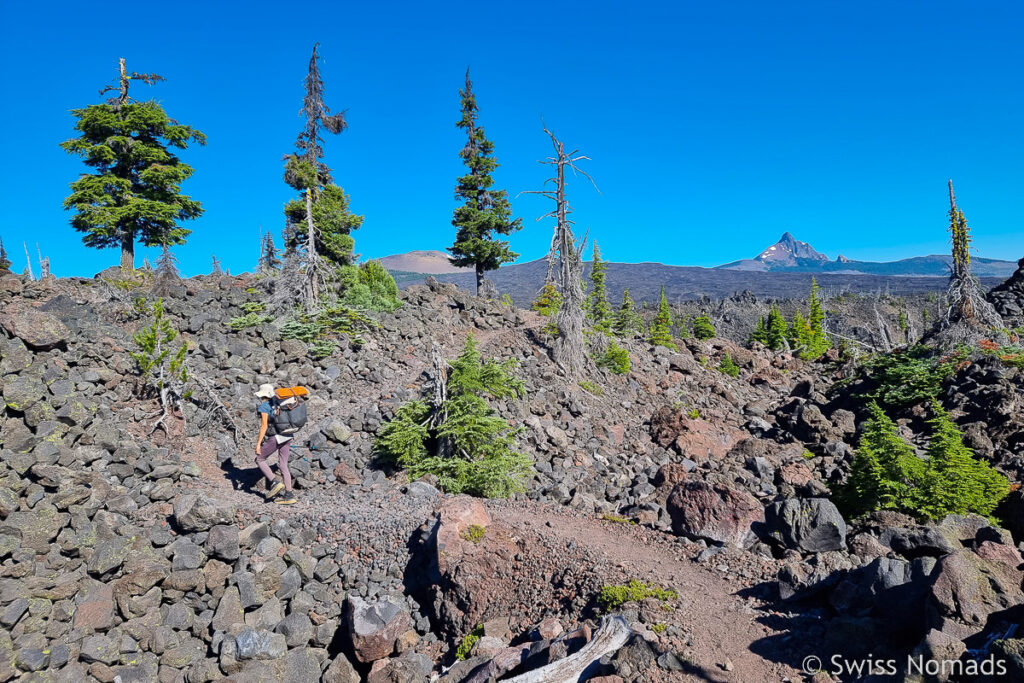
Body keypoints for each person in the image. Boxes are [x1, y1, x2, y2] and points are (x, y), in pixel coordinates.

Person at [254, 383, 297, 505]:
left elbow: (264, 426)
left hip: (276, 437)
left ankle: (274, 482)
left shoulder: (264, 406)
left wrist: (258, 444)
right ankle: (289, 495)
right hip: (288, 435)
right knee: (283, 465)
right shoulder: (279, 402)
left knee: (260, 459)